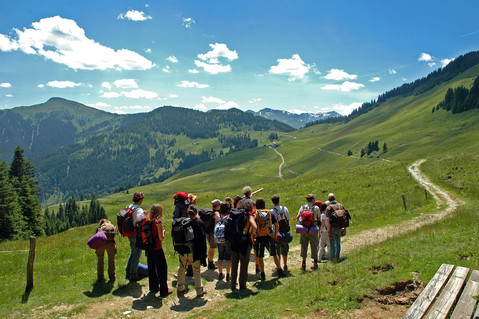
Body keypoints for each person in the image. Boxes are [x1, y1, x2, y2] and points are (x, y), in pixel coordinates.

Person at [177, 205, 207, 297]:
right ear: (196, 212)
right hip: (194, 250)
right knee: (196, 269)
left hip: (183, 249)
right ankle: (199, 289)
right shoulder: (199, 222)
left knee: (182, 267)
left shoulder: (183, 222)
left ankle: (180, 286)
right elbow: (202, 240)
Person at [230, 199, 257, 291]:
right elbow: (255, 226)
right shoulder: (248, 215)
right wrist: (251, 234)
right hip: (244, 242)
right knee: (244, 264)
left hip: (233, 242)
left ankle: (233, 285)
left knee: (234, 264)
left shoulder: (233, 215)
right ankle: (242, 285)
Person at [146, 204, 173, 297]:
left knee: (152, 268)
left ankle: (153, 287)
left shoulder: (148, 221)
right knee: (162, 269)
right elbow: (161, 238)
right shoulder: (158, 222)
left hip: (149, 248)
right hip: (157, 248)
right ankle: (164, 290)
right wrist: (164, 232)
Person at [254, 198, 283, 280]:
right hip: (269, 236)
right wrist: (275, 234)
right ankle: (280, 270)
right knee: (274, 254)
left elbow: (253, 228)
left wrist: (253, 236)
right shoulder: (270, 213)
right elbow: (277, 225)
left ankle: (262, 274)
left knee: (260, 256)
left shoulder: (255, 215)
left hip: (259, 237)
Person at [125, 191, 149, 281]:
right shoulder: (138, 209)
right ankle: (133, 275)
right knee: (137, 254)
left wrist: (143, 214)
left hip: (129, 232)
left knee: (133, 252)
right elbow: (139, 219)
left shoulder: (129, 206)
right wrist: (145, 217)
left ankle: (128, 272)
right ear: (141, 199)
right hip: (135, 233)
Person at [297, 193, 321, 271]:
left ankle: (303, 263)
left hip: (304, 229)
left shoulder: (302, 207)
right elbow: (319, 218)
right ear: (313, 199)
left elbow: (298, 217)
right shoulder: (316, 208)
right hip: (313, 229)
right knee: (314, 246)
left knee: (304, 246)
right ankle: (315, 263)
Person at [325, 193, 348, 262]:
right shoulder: (341, 205)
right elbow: (345, 217)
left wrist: (328, 231)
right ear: (335, 198)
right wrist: (344, 227)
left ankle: (332, 259)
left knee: (332, 244)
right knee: (338, 242)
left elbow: (328, 220)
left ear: (329, 200)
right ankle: (337, 257)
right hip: (340, 226)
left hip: (332, 227)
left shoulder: (329, 208)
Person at [270, 195, 290, 271]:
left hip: (276, 232)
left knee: (277, 250)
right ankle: (285, 264)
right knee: (285, 249)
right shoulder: (285, 208)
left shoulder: (272, 211)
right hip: (285, 231)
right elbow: (287, 218)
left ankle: (279, 266)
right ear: (279, 200)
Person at [215, 202, 231, 281]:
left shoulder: (218, 216)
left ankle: (220, 273)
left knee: (220, 255)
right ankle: (228, 274)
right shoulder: (229, 217)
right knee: (228, 257)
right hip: (227, 238)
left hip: (219, 238)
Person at [206, 199, 221, 270]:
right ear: (217, 206)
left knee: (211, 247)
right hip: (212, 232)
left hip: (207, 232)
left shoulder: (210, 212)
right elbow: (219, 220)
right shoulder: (216, 213)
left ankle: (210, 261)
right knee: (212, 247)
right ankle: (210, 263)